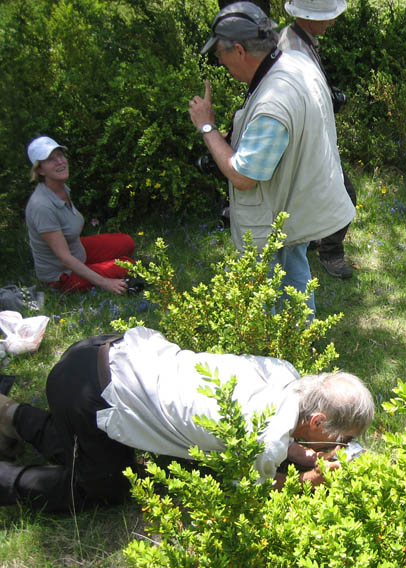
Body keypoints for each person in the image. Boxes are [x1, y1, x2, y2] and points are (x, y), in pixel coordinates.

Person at [0, 326, 374, 512]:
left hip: (108, 350)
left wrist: (298, 453)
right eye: (342, 439)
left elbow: (278, 426)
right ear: (319, 421)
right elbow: (252, 487)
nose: (340, 447)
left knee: (96, 456)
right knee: (101, 492)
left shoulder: (284, 374)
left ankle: (10, 415)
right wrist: (310, 478)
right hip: (89, 393)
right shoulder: (262, 437)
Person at [188, 2, 354, 313]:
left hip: (272, 220)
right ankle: (301, 343)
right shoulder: (294, 60)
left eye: (220, 54)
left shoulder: (273, 102)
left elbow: (243, 176)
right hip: (294, 207)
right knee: (295, 274)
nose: (219, 61)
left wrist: (207, 126)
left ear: (239, 50)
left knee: (271, 301)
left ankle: (280, 355)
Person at [278, 0, 356, 279]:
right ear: (308, 18)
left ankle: (310, 240)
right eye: (328, 16)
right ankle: (330, 253)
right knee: (344, 194)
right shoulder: (291, 48)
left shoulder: (301, 40)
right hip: (306, 139)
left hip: (312, 136)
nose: (332, 22)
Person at [24, 136, 136, 295]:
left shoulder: (61, 188)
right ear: (40, 170)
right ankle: (87, 276)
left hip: (77, 249)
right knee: (127, 264)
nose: (60, 162)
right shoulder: (41, 206)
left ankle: (95, 265)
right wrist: (105, 282)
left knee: (126, 242)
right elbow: (64, 258)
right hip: (62, 274)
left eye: (60, 155)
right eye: (51, 159)